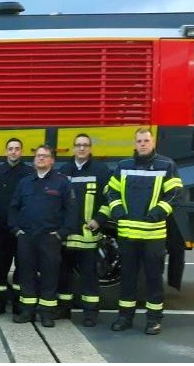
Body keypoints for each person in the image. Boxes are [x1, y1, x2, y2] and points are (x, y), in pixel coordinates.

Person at [105, 128, 183, 335]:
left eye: (146, 140)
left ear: (153, 142)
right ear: (134, 143)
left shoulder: (166, 165)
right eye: (139, 141)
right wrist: (117, 209)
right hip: (128, 234)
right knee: (128, 279)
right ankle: (125, 317)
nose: (142, 144)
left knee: (153, 279)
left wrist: (158, 212)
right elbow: (110, 190)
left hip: (153, 235)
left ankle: (154, 320)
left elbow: (175, 194)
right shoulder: (123, 166)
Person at [9, 145, 77, 328]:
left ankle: (46, 313)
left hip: (49, 237)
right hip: (27, 237)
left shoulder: (62, 182)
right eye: (38, 156)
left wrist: (62, 233)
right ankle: (27, 311)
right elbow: (13, 207)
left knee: (50, 275)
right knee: (26, 275)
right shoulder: (25, 182)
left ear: (52, 161)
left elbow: (71, 210)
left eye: (45, 156)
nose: (40, 159)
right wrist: (16, 229)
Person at [57, 133, 112, 327]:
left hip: (88, 236)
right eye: (78, 145)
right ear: (73, 148)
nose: (81, 148)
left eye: (85, 145)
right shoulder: (64, 170)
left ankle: (90, 314)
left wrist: (99, 219)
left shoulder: (101, 170)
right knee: (64, 276)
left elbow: (109, 199)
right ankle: (64, 309)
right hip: (67, 236)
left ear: (90, 148)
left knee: (89, 277)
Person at [0, 138, 33, 316]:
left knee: (22, 271)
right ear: (5, 152)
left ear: (21, 152)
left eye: (17, 149)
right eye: (11, 149)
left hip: (22, 231)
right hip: (1, 231)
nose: (14, 152)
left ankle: (18, 305)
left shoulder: (30, 173)